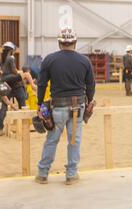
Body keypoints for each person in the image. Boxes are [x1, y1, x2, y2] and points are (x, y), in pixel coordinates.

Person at [35, 26, 95, 185]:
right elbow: (91, 85)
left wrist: (40, 104)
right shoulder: (85, 61)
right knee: (74, 141)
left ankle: (42, 173)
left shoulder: (49, 59)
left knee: (51, 140)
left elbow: (41, 84)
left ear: (59, 43)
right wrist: (89, 100)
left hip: (57, 108)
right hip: (77, 109)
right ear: (75, 42)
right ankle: (71, 175)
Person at [0, 42, 27, 135]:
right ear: (11, 50)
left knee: (4, 107)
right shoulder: (10, 58)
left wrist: (1, 75)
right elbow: (14, 70)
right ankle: (23, 125)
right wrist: (19, 73)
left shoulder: (1, 59)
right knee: (23, 103)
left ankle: (0, 129)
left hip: (5, 84)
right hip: (15, 85)